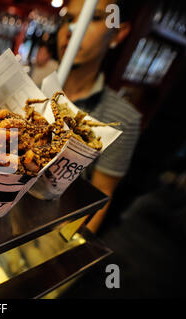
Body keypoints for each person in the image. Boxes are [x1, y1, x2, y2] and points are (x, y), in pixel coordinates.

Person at [56, 0, 141, 233]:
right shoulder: (34, 89)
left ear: (118, 34)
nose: (72, 29)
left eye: (93, 18)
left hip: (55, 227)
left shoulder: (121, 118)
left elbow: (101, 197)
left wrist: (63, 251)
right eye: (68, 19)